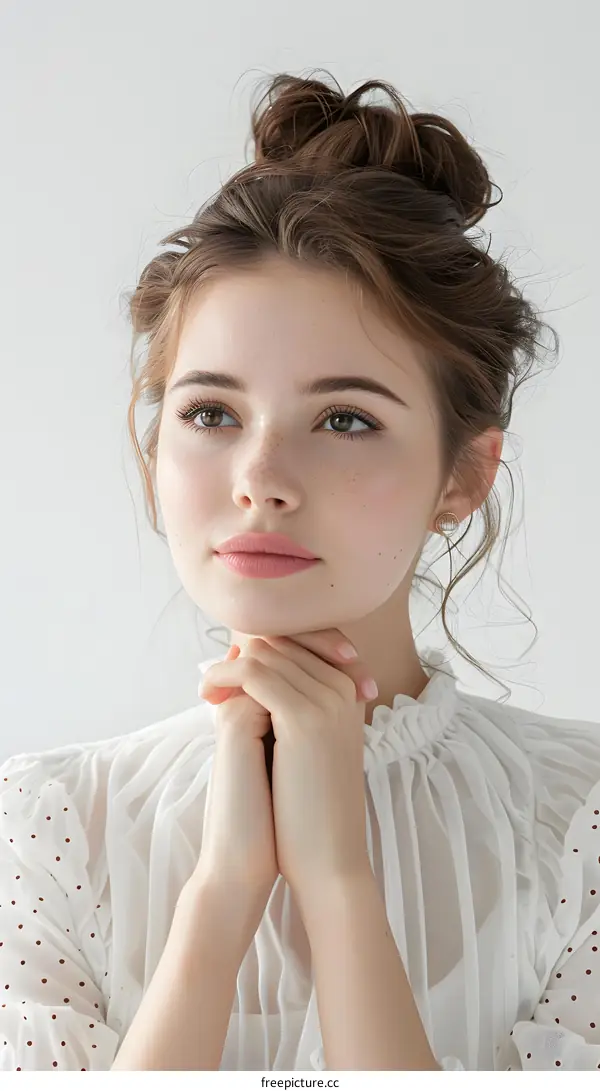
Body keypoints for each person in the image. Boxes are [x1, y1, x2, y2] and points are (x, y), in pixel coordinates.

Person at [1, 70, 599, 1074]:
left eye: (345, 418)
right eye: (211, 413)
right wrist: (222, 889)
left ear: (463, 474)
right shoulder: (45, 827)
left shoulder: (582, 825)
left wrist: (338, 880)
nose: (261, 479)